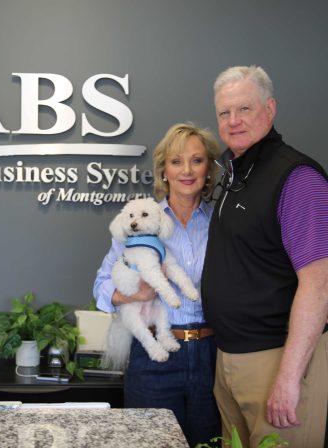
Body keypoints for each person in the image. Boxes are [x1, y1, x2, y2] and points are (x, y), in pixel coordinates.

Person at [201, 65, 328, 448]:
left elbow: (319, 284)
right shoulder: (235, 175)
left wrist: (289, 378)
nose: (233, 121)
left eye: (245, 109)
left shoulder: (297, 177)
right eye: (225, 112)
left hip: (277, 361)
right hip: (230, 360)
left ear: (269, 109)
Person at [93, 123, 222, 447]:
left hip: (213, 355)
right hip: (153, 356)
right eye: (176, 161)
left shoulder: (223, 221)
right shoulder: (138, 222)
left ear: (208, 169)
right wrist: (131, 294)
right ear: (164, 170)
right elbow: (101, 284)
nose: (187, 170)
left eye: (196, 160)